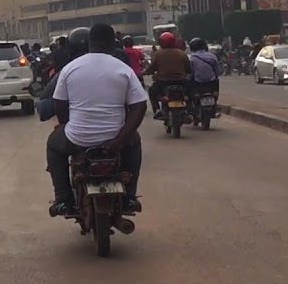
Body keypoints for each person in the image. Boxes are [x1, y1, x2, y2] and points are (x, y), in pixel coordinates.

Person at [46, 24, 147, 217]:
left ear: (90, 43)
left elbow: (59, 103)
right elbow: (139, 106)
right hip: (115, 140)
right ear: (112, 42)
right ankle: (129, 198)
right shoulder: (123, 69)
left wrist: (68, 126)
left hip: (77, 138)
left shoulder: (70, 68)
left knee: (53, 145)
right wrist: (121, 138)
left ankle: (63, 200)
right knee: (134, 145)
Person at [145, 31, 191, 119]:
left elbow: (151, 68)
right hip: (181, 81)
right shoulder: (181, 53)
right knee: (189, 92)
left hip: (163, 82)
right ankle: (189, 110)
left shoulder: (158, 54)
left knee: (151, 91)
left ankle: (157, 110)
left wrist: (145, 72)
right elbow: (188, 69)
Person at [187, 38, 221, 112]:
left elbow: (190, 72)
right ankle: (215, 102)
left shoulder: (191, 58)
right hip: (211, 83)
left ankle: (190, 109)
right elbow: (217, 72)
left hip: (197, 83)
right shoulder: (212, 56)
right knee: (216, 81)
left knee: (188, 91)